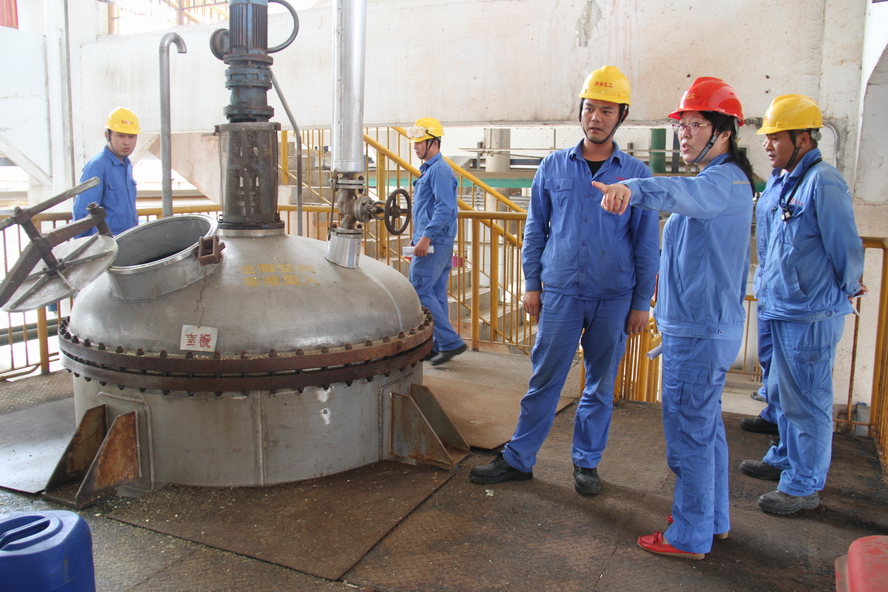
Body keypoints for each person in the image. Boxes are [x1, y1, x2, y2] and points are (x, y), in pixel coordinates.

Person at [469, 66, 659, 497]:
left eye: (606, 110)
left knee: (600, 385)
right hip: (560, 292)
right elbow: (536, 229)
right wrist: (531, 284)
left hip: (614, 296)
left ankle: (587, 463)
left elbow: (647, 243)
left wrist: (640, 303)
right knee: (545, 379)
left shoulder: (637, 174)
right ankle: (519, 459)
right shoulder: (553, 166)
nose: (596, 117)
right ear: (580, 111)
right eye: (590, 108)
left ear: (622, 116)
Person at [595, 77, 755, 560]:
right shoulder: (719, 182)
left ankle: (688, 535)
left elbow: (671, 193)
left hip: (699, 332)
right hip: (703, 326)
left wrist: (630, 188)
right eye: (682, 125)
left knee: (688, 437)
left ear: (724, 132)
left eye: (696, 124)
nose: (684, 134)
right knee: (706, 433)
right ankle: (710, 519)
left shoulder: (719, 184)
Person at [739, 94, 865, 514]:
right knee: (783, 394)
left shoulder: (823, 181)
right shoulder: (781, 180)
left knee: (807, 401)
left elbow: (845, 245)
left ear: (804, 139)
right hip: (779, 305)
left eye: (776, 137)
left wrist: (847, 287)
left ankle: (803, 485)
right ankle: (784, 458)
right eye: (767, 137)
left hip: (809, 312)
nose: (767, 145)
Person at [405, 117, 467, 366]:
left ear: (434, 143)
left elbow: (444, 208)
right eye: (415, 142)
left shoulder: (439, 170)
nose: (415, 146)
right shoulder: (430, 170)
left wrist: (425, 238)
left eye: (420, 142)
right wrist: (418, 238)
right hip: (433, 240)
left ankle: (450, 343)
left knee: (420, 290)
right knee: (436, 292)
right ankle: (438, 345)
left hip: (434, 241)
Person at [73, 107, 141, 237]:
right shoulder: (97, 167)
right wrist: (81, 245)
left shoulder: (126, 165)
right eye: (120, 136)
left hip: (127, 239)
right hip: (105, 242)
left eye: (131, 137)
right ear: (107, 135)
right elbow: (83, 212)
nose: (127, 142)